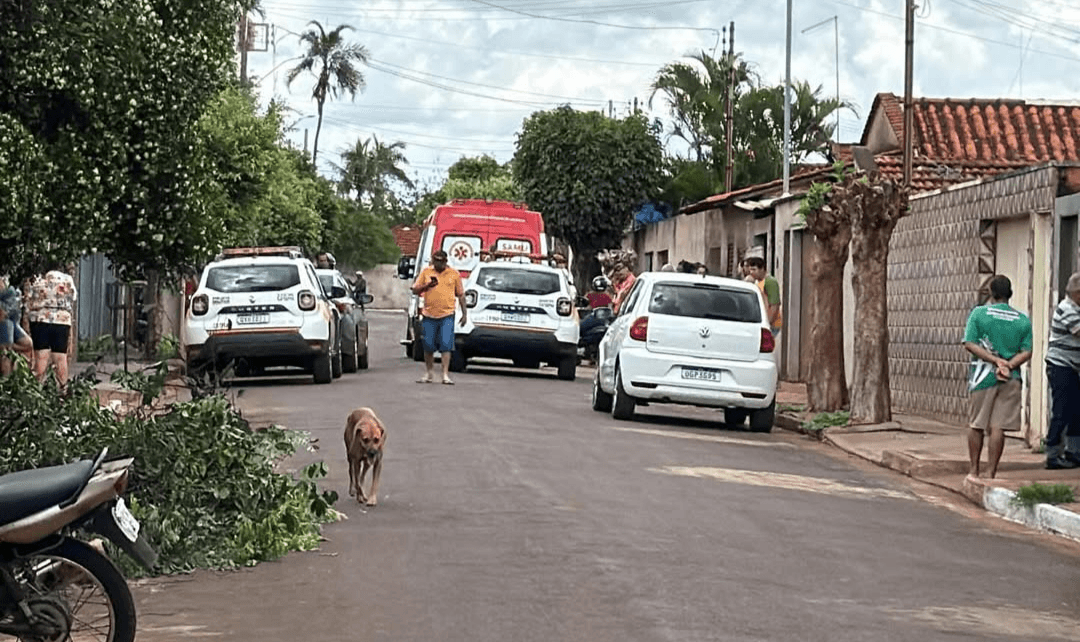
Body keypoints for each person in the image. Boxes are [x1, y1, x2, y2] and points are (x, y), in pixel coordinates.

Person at [961, 275, 1033, 479]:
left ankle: (974, 470)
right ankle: (991, 472)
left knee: (976, 424)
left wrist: (994, 361)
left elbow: (969, 343)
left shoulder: (979, 314)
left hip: (983, 377)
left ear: (991, 293)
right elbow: (1027, 351)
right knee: (998, 427)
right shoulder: (1022, 320)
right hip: (1011, 377)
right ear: (1009, 294)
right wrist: (1008, 364)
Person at [411, 250, 467, 385]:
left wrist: (465, 314)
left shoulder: (454, 274)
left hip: (447, 314)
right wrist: (427, 285)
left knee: (446, 345)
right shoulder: (426, 272)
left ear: (446, 261)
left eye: (441, 261)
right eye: (435, 260)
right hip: (429, 314)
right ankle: (429, 372)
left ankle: (445, 374)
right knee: (428, 344)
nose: (438, 264)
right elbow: (414, 289)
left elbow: (461, 295)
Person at [1044, 272, 1080, 469]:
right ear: (1078, 294)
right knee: (1062, 410)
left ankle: (1074, 452)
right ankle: (1052, 454)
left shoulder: (1076, 307)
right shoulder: (1067, 309)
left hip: (1072, 366)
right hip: (1061, 365)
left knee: (1076, 410)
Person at [23, 263, 78, 386]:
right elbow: (72, 298)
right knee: (60, 357)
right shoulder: (67, 280)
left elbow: (27, 301)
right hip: (62, 322)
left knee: (41, 356)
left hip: (40, 320)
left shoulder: (36, 279)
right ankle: (63, 389)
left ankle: (36, 388)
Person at [0, 275, 33, 375]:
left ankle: (5, 347)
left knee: (27, 344)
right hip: (5, 320)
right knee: (5, 355)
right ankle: (6, 383)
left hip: (11, 320)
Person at [746, 256, 782, 338]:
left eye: (754, 269)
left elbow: (774, 305)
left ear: (762, 269)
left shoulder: (770, 282)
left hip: (770, 324)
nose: (751, 272)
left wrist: (767, 324)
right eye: (750, 270)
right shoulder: (757, 281)